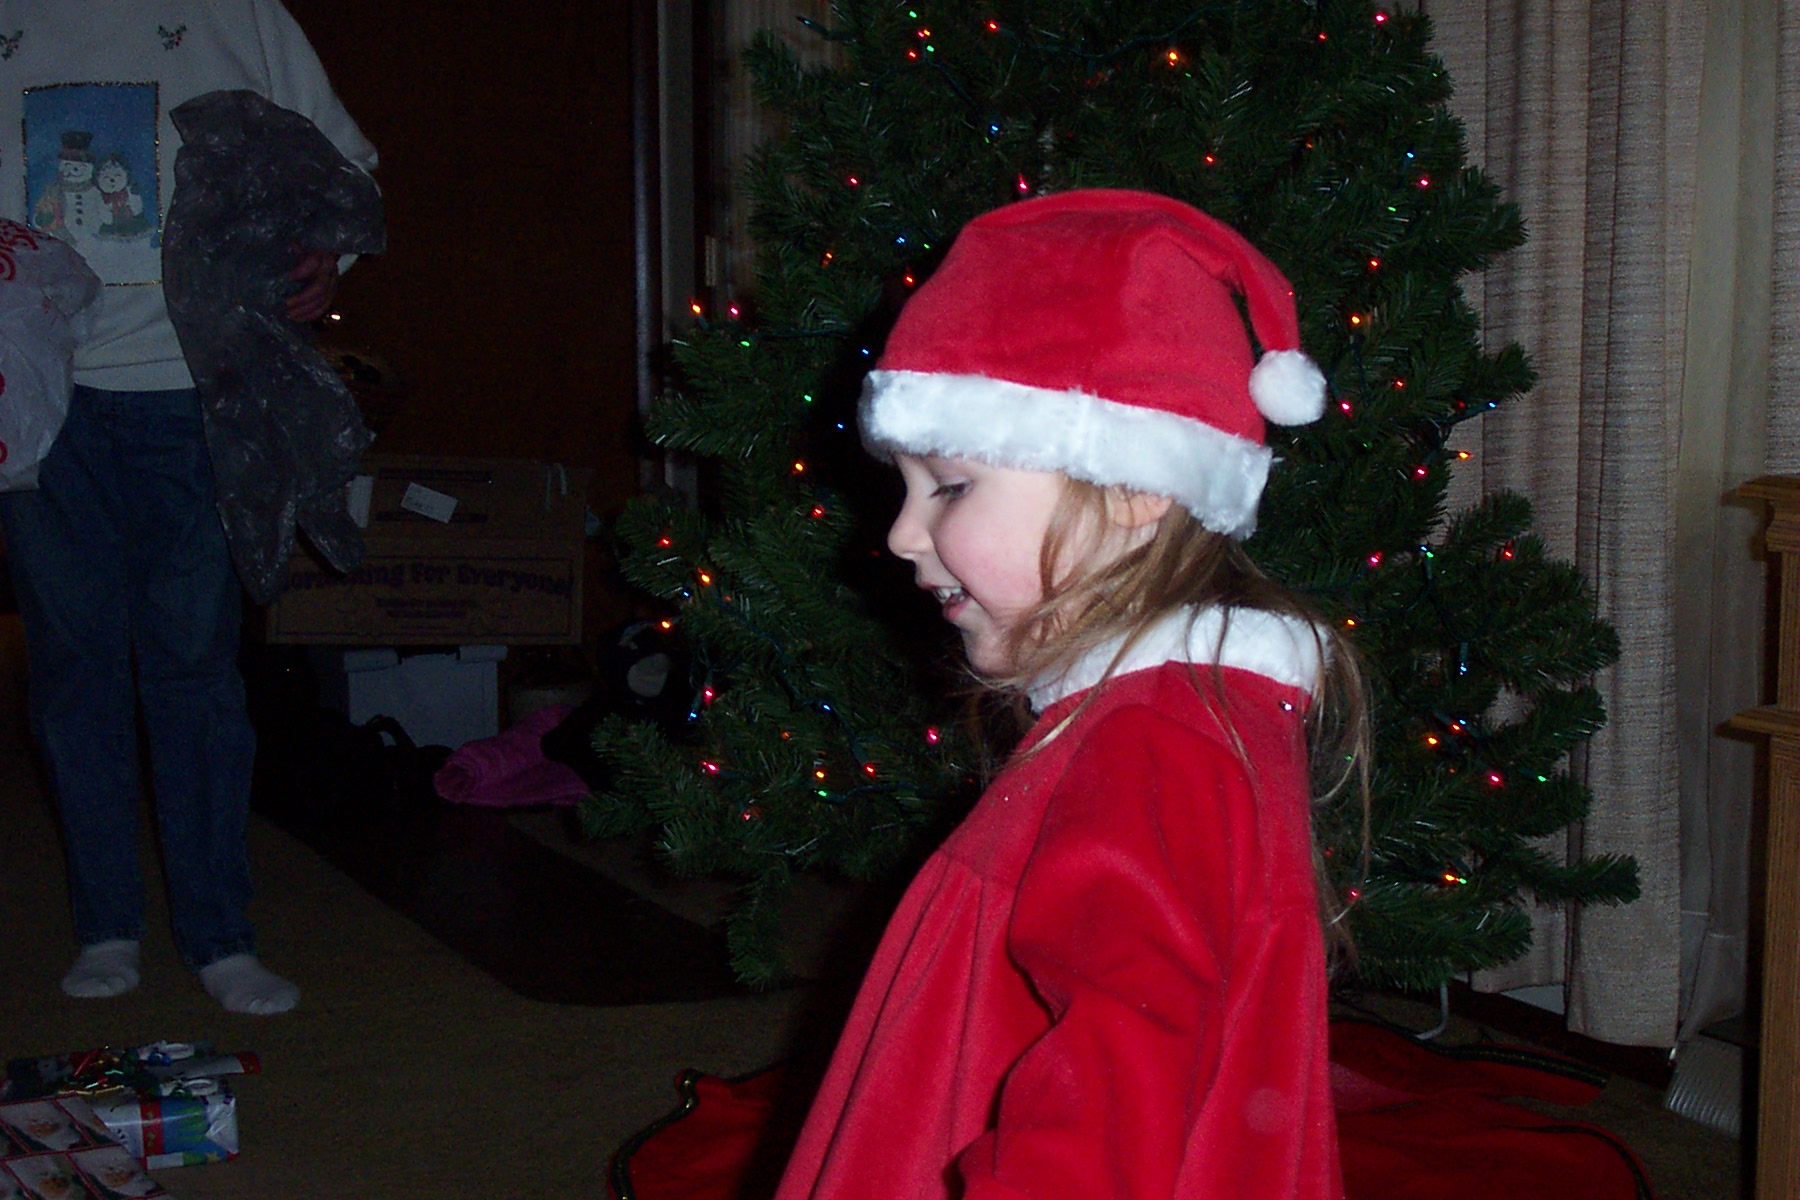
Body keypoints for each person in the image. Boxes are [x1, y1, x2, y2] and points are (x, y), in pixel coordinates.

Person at [773, 189, 1369, 1200]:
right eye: (904, 488)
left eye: (950, 485)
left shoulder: (1155, 740)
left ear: (1134, 485)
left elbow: (1117, 1084)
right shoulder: (1165, 717)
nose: (902, 535)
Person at [0, 1, 378, 1014]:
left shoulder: (238, 9)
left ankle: (220, 934)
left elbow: (344, 167)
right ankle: (105, 925)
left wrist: (323, 255)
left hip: (195, 389)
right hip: (36, 395)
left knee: (194, 663)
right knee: (74, 667)